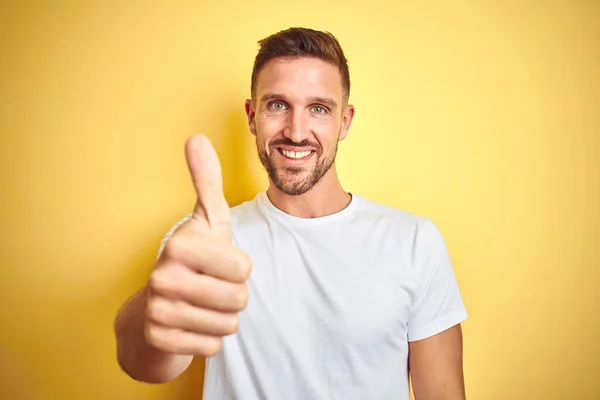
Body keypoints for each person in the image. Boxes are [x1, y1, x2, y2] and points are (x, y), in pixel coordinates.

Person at [114, 27, 468, 400]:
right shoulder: (206, 242)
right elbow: (143, 363)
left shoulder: (413, 241)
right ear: (252, 116)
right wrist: (156, 305)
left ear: (344, 121)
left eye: (318, 108)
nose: (297, 132)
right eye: (277, 105)